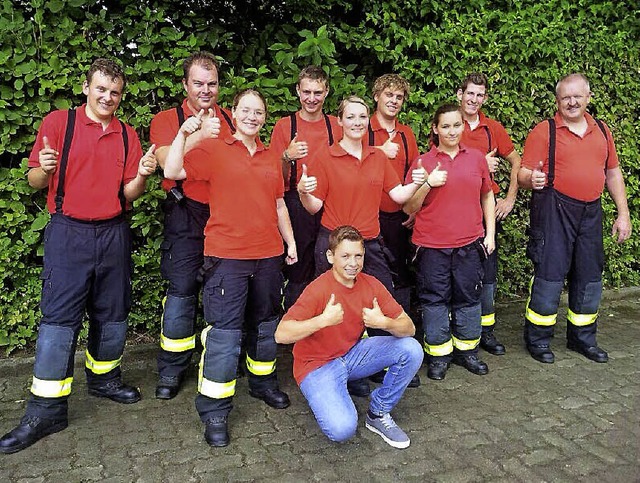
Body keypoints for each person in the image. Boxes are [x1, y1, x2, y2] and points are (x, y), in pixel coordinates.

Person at [0, 58, 157, 454]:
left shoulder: (126, 134)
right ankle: (45, 411)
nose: (108, 97)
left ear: (121, 96)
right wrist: (44, 169)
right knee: (59, 320)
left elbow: (130, 193)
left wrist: (142, 174)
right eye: (101, 89)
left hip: (113, 232)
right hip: (68, 232)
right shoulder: (59, 123)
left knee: (113, 313)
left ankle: (104, 381)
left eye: (115, 92)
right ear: (86, 88)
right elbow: (35, 179)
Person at [164, 88, 297, 447]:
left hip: (268, 255)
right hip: (227, 256)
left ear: (264, 117)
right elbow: (172, 169)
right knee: (224, 335)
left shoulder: (272, 157)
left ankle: (263, 383)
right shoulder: (214, 149)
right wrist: (183, 135)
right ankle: (215, 410)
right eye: (246, 110)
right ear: (233, 114)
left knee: (266, 325)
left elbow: (279, 204)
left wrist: (291, 242)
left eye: (259, 112)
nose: (253, 117)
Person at [297, 95, 427, 396]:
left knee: (381, 303)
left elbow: (397, 196)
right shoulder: (325, 157)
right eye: (351, 117)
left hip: (370, 244)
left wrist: (420, 181)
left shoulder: (378, 157)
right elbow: (314, 207)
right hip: (334, 244)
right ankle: (343, 370)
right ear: (339, 121)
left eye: (362, 117)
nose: (357, 122)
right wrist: (303, 192)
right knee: (335, 309)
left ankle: (382, 365)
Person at [518, 73, 631, 364]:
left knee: (590, 276)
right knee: (549, 276)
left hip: (591, 212)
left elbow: (612, 172)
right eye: (566, 97)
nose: (571, 102)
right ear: (557, 101)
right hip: (555, 211)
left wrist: (623, 213)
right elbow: (522, 175)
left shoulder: (603, 130)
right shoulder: (544, 132)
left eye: (577, 96)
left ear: (588, 98)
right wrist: (533, 179)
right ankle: (539, 340)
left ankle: (582, 339)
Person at [275, 225, 423, 449]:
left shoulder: (371, 284)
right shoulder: (318, 289)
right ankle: (330, 390)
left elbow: (409, 328)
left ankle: (378, 413)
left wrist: (384, 323)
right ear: (330, 256)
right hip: (316, 367)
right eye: (345, 256)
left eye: (358, 256)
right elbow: (281, 334)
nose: (353, 264)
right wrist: (322, 321)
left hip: (351, 356)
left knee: (411, 349)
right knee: (342, 429)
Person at [149, 51, 235, 400]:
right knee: (182, 291)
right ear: (185, 84)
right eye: (198, 83)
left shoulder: (231, 117)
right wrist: (199, 136)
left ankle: (220, 360)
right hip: (185, 212)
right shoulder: (167, 118)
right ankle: (172, 369)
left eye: (211, 83)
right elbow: (164, 161)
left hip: (225, 214)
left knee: (224, 290)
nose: (205, 89)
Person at [404, 104, 495, 381]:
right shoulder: (423, 163)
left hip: (469, 244)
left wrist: (489, 234)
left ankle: (468, 352)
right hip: (431, 246)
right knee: (435, 301)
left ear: (463, 127)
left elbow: (487, 196)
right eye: (445, 126)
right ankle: (439, 356)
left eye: (457, 125)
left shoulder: (477, 158)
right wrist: (428, 184)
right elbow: (409, 207)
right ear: (435, 129)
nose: (452, 131)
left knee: (468, 298)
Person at [456, 73, 521, 356]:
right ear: (460, 94)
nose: (474, 99)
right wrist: (480, 163)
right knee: (457, 273)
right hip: (455, 210)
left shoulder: (492, 128)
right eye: (470, 93)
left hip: (486, 211)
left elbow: (516, 159)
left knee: (488, 274)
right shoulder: (448, 123)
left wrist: (509, 198)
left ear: (485, 98)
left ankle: (486, 331)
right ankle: (460, 328)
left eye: (479, 95)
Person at [270, 66, 341, 310]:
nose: (312, 98)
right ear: (297, 91)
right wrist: (286, 156)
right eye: (307, 92)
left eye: (318, 92)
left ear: (327, 92)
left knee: (329, 262)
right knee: (298, 267)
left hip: (330, 203)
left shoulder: (336, 125)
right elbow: (273, 179)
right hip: (295, 204)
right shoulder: (284, 126)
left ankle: (330, 319)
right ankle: (296, 322)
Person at [367, 74, 421, 388]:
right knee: (371, 284)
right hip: (367, 218)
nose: (393, 101)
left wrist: (413, 209)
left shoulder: (406, 134)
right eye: (388, 95)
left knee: (399, 281)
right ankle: (372, 357)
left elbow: (414, 175)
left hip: (397, 218)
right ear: (377, 96)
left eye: (399, 97)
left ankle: (399, 353)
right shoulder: (363, 129)